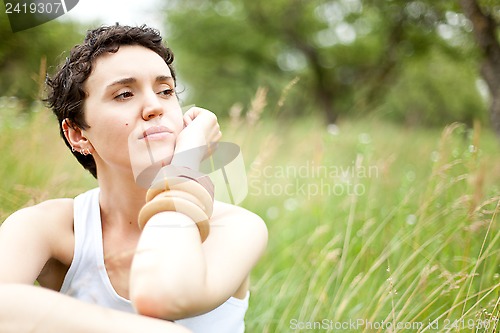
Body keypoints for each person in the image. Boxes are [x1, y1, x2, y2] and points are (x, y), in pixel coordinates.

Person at [0, 24, 268, 333]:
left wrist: (185, 165)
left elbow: (161, 295)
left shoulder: (234, 227)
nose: (155, 106)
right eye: (124, 94)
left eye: (165, 91)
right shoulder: (48, 228)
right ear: (77, 133)